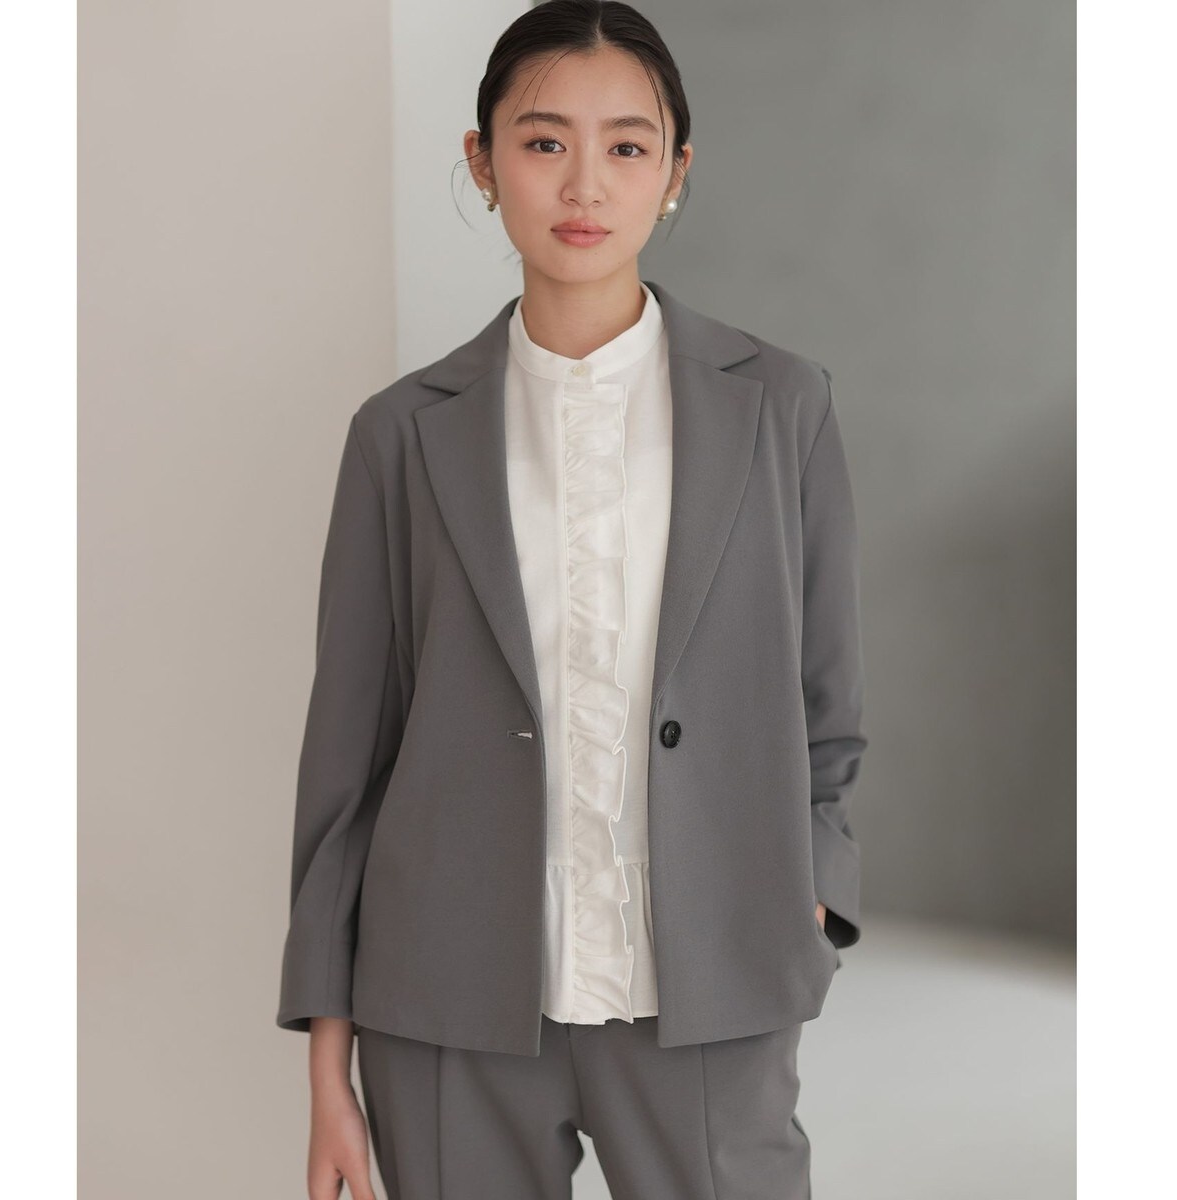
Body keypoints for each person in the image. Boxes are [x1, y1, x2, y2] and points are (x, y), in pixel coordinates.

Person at [276, 2, 867, 1197]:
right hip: (447, 1008)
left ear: (676, 172)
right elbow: (348, 760)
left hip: (710, 986)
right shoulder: (401, 436)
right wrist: (328, 1067)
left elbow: (829, 706)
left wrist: (808, 891)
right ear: (482, 162)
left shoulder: (781, 406)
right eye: (543, 142)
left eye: (627, 146)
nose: (584, 183)